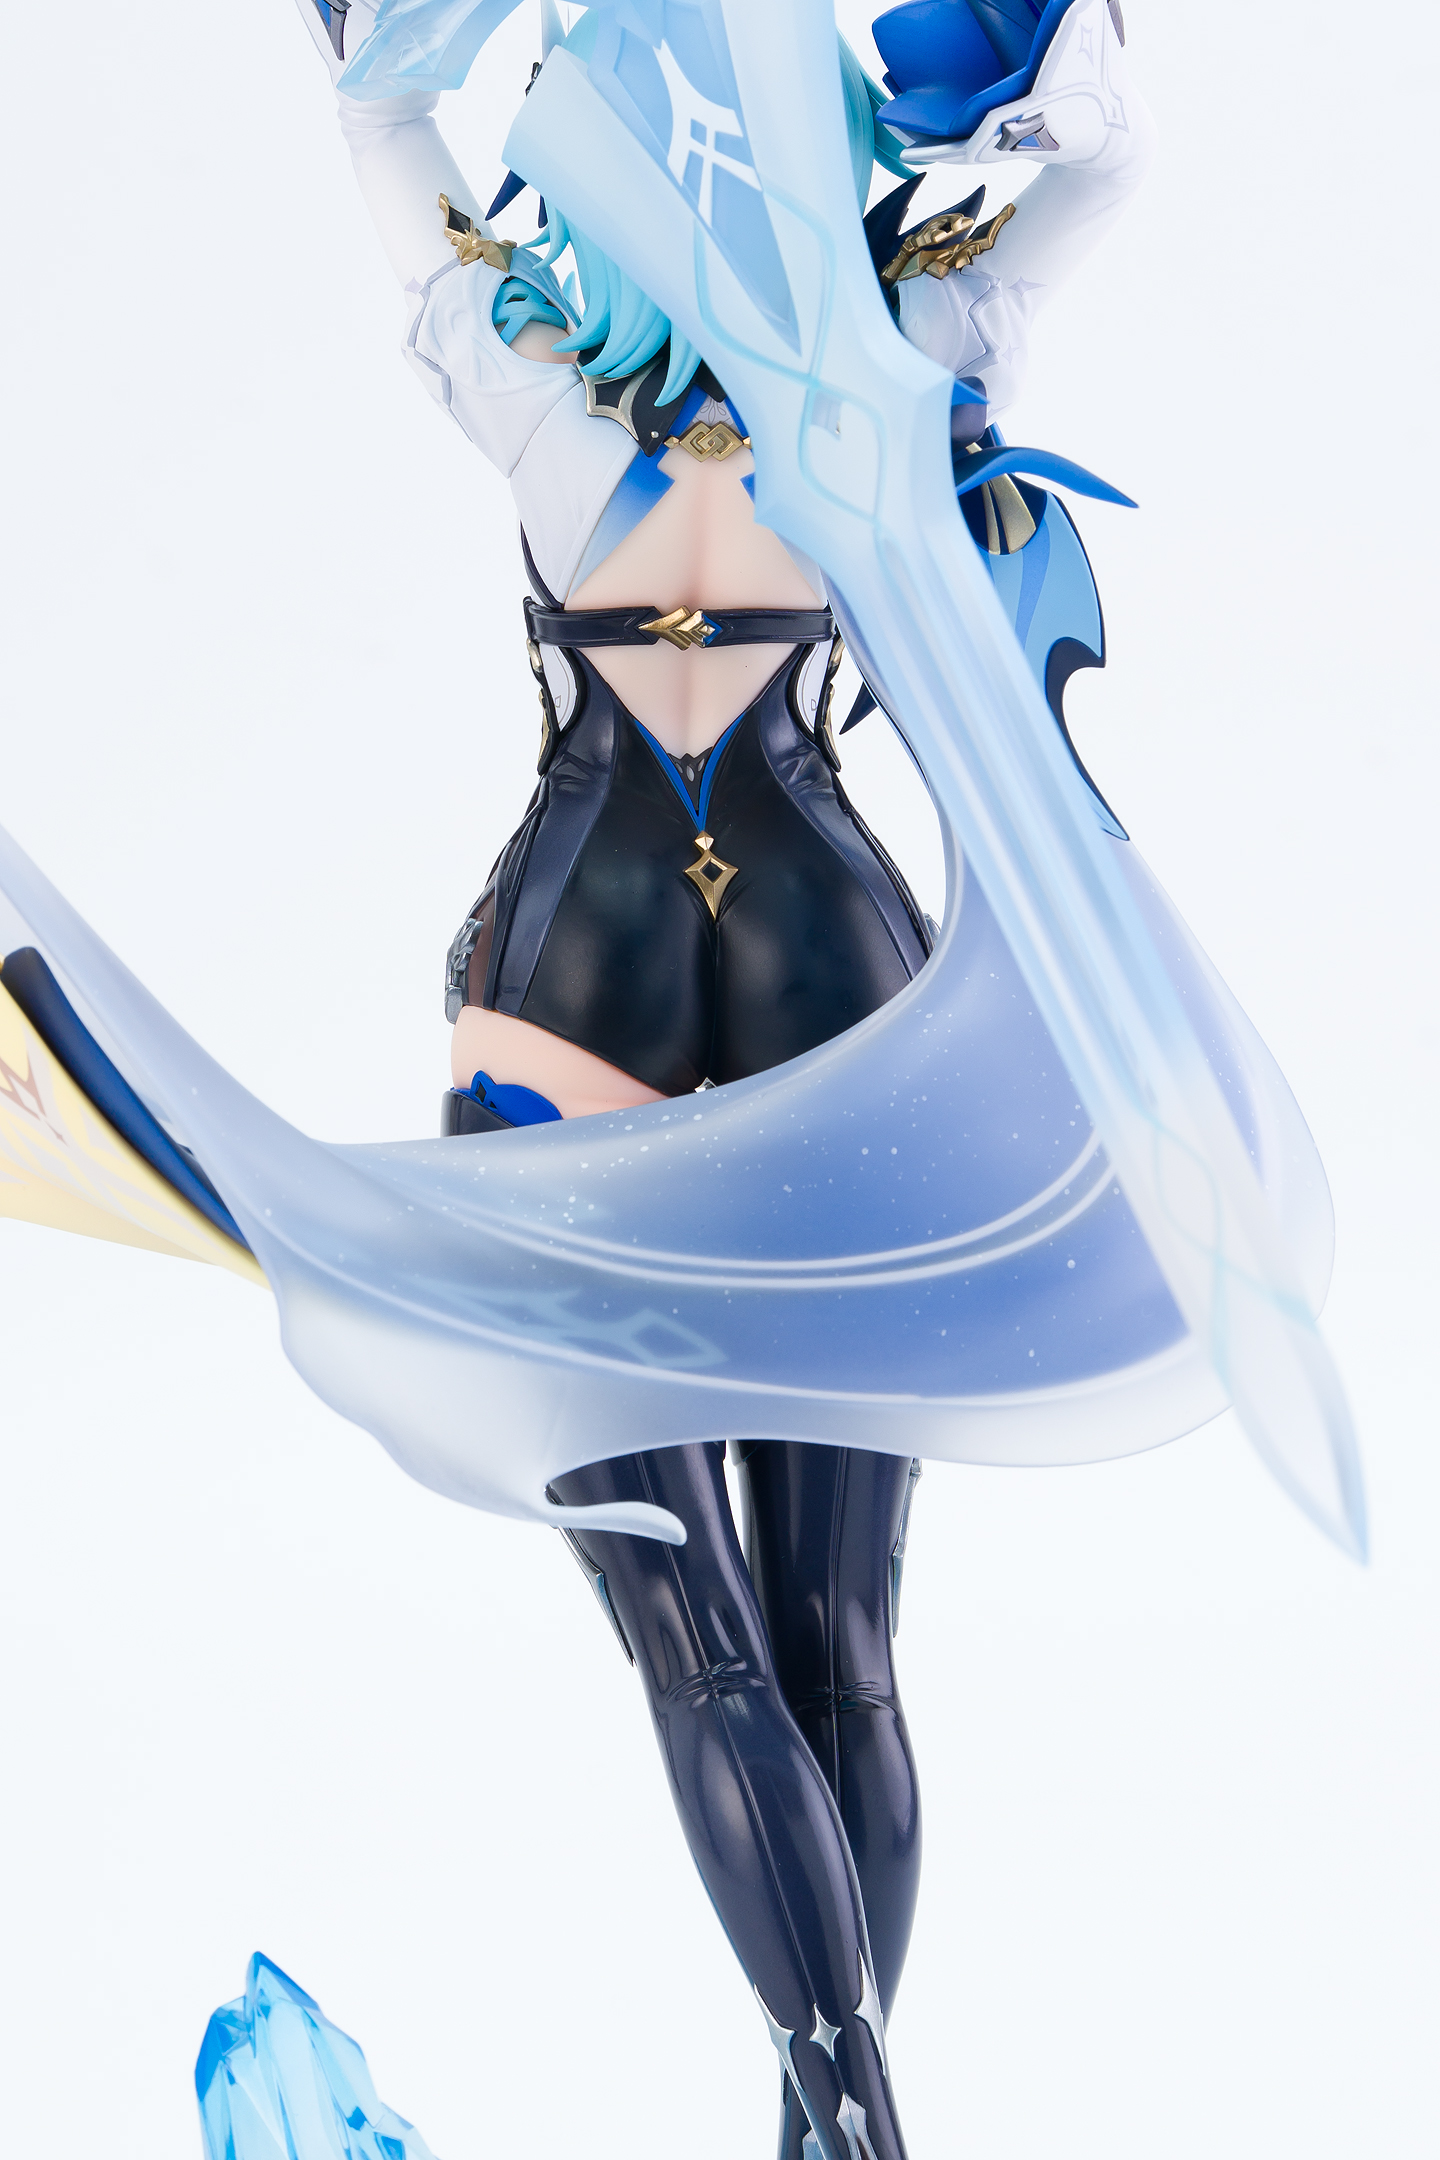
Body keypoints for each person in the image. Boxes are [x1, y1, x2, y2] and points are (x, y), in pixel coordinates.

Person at [292, 5, 1155, 2155]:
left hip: (572, 963)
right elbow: (1108, 166)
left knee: (710, 1632)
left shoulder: (530, 365)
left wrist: (386, 40)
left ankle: (837, 2114)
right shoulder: (890, 360)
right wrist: (1057, 71)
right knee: (835, 1638)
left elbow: (384, 118)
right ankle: (845, 2128)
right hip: (826, 954)